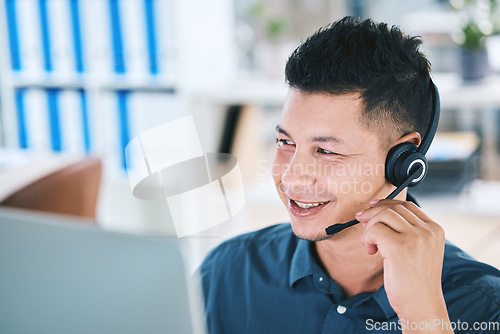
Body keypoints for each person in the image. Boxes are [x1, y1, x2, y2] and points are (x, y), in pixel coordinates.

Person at [200, 16, 500, 334]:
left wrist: (424, 317)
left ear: (403, 160)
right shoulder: (227, 273)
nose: (291, 178)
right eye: (285, 142)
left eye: (326, 151)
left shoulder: (484, 307)